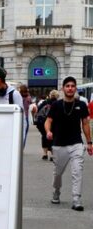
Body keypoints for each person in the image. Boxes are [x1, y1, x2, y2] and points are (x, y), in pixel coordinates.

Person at [43, 76, 93, 211]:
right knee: (57, 174)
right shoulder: (56, 105)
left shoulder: (81, 105)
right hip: (59, 145)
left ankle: (76, 199)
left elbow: (86, 124)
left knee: (77, 172)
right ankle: (56, 191)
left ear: (75, 88)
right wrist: (48, 131)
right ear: (63, 88)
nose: (70, 88)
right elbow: (48, 121)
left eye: (72, 86)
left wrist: (89, 142)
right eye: (67, 86)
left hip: (76, 144)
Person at [34, 90, 59, 161]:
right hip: (51, 122)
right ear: (57, 96)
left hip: (41, 122)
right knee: (52, 137)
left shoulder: (44, 102)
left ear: (50, 95)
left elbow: (38, 111)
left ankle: (45, 154)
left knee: (44, 136)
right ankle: (52, 155)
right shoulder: (57, 103)